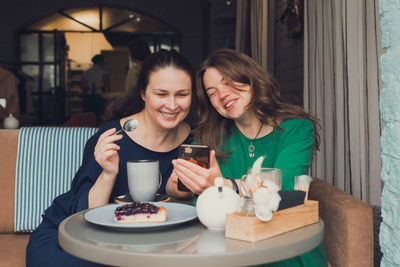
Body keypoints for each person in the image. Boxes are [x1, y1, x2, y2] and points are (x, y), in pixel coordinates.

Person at [26, 49, 194, 267]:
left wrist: (181, 193)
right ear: (143, 93)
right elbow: (82, 217)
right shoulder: (112, 137)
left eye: (182, 94)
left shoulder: (195, 141)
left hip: (147, 242)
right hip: (73, 235)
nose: (172, 105)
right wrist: (108, 173)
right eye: (161, 94)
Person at [166, 49, 327, 266]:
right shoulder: (211, 136)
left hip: (285, 250)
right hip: (227, 251)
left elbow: (285, 184)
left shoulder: (296, 128)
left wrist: (220, 185)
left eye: (228, 81)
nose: (222, 94)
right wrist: (178, 185)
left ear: (251, 78)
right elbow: (182, 187)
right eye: (212, 92)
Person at [81, 54, 111, 121]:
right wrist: (108, 97)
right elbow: (107, 85)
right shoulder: (103, 71)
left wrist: (83, 96)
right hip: (100, 94)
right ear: (101, 61)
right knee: (100, 114)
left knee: (89, 115)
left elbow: (83, 86)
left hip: (89, 95)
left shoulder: (86, 72)